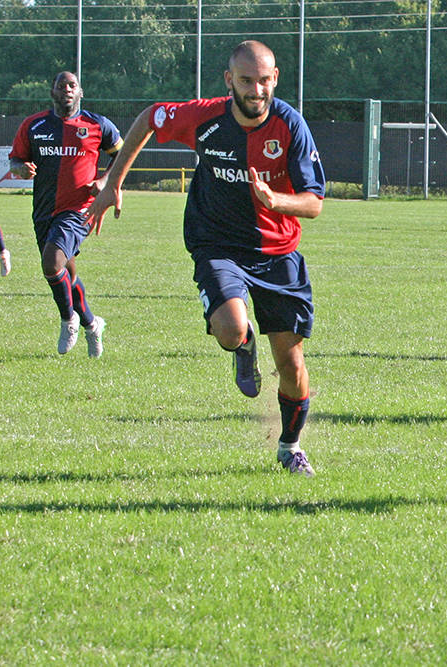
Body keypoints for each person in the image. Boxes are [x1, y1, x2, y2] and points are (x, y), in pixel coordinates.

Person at [86, 40, 326, 476]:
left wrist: (275, 199)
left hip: (278, 252)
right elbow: (149, 119)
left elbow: (314, 204)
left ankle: (290, 447)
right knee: (231, 328)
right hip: (216, 245)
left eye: (265, 80)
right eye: (247, 80)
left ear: (275, 79)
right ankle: (242, 343)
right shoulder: (204, 117)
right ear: (229, 80)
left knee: (292, 366)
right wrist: (112, 182)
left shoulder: (290, 126)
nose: (257, 90)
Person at [8, 71, 122, 356]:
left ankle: (68, 319)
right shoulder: (34, 125)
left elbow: (122, 153)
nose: (68, 89)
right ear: (53, 93)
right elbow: (16, 158)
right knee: (65, 272)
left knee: (51, 262)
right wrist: (20, 168)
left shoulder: (98, 125)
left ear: (80, 92)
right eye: (62, 85)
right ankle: (92, 324)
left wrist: (106, 181)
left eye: (73, 85)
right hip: (44, 211)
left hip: (79, 209)